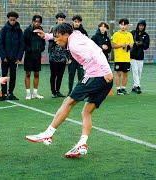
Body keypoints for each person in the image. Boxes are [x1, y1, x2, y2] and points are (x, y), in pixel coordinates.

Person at [26, 23, 113, 158]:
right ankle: (82, 144)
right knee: (86, 112)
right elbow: (66, 32)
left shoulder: (74, 45)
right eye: (53, 37)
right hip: (104, 79)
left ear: (66, 35)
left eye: (57, 37)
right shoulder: (75, 35)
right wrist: (47, 36)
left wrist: (107, 71)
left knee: (68, 102)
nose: (55, 40)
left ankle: (48, 134)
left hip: (96, 76)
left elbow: (96, 52)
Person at [0, 11, 24, 101]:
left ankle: (11, 93)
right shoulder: (4, 29)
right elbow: (0, 44)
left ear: (16, 20)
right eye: (11, 20)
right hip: (5, 58)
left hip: (14, 58)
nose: (12, 21)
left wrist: (19, 57)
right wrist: (3, 56)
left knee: (13, 76)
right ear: (8, 19)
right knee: (4, 75)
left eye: (14, 20)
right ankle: (3, 94)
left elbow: (21, 45)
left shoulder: (19, 31)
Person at [48, 13, 69, 98]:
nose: (61, 21)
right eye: (59, 19)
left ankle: (58, 90)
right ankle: (53, 92)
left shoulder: (66, 29)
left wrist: (67, 56)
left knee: (60, 74)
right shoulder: (53, 28)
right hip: (53, 55)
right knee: (53, 74)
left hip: (62, 56)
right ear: (56, 20)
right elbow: (49, 39)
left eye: (62, 19)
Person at [111, 18, 134, 95]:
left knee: (125, 73)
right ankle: (118, 89)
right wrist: (121, 45)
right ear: (119, 25)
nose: (123, 26)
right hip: (118, 58)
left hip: (126, 58)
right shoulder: (116, 34)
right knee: (118, 73)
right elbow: (113, 45)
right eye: (121, 24)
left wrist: (128, 46)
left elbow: (131, 45)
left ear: (127, 26)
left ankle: (123, 88)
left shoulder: (129, 34)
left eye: (125, 25)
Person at [67, 15, 87, 95]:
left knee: (81, 75)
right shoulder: (69, 31)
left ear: (80, 22)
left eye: (78, 22)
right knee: (71, 75)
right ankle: (70, 91)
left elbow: (86, 44)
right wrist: (68, 57)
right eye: (75, 22)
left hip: (80, 58)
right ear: (73, 22)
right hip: (72, 58)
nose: (77, 23)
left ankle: (80, 92)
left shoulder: (83, 32)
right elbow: (66, 44)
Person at [130, 19, 150, 94]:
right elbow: (130, 42)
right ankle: (137, 86)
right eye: (140, 25)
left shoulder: (146, 35)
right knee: (135, 70)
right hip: (132, 55)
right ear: (138, 25)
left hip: (140, 56)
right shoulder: (133, 33)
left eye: (142, 26)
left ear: (144, 27)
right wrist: (135, 43)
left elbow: (146, 46)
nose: (141, 27)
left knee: (139, 72)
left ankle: (134, 86)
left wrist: (141, 43)